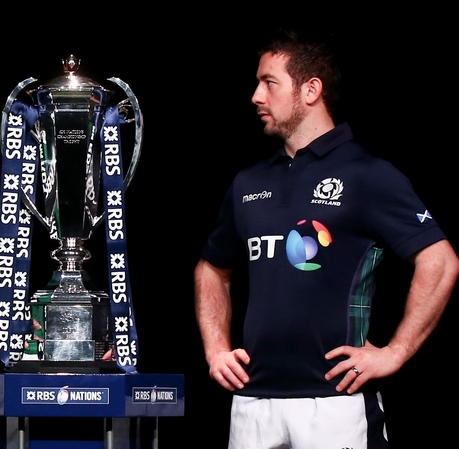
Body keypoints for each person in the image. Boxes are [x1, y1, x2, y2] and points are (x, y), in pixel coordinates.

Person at [194, 29, 458, 449]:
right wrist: (216, 350)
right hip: (252, 403)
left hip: (335, 403)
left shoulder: (367, 174)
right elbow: (212, 268)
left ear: (311, 89)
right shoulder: (248, 182)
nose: (255, 96)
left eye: (269, 82)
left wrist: (395, 351)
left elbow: (440, 261)